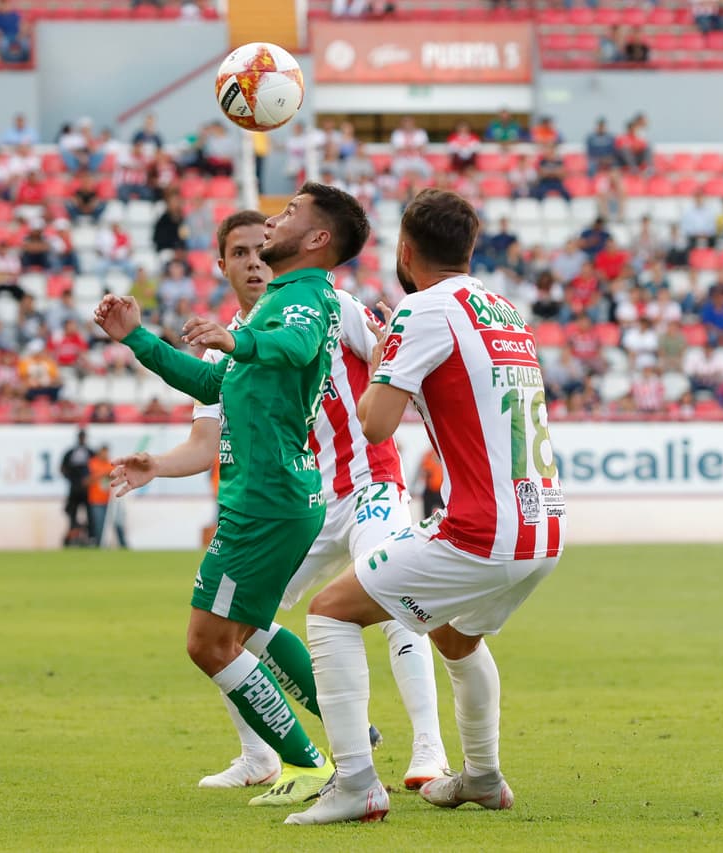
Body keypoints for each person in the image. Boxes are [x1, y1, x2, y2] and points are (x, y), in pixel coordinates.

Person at [110, 210, 448, 792]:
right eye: (239, 254)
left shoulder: (327, 304)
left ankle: (428, 750)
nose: (254, 261)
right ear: (223, 267)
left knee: (396, 599)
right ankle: (268, 753)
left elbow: (387, 358)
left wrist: (399, 348)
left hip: (366, 481)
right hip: (305, 494)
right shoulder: (226, 344)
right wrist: (158, 466)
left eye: (259, 248)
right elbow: (206, 438)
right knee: (242, 625)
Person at [286, 189, 565, 825]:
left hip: (482, 530)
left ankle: (355, 784)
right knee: (453, 632)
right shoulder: (503, 308)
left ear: (405, 253)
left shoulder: (420, 311)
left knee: (330, 611)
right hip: (543, 526)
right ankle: (482, 777)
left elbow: (377, 425)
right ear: (469, 249)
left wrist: (384, 359)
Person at [94, 183, 371, 807]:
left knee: (208, 643)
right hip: (278, 496)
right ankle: (344, 745)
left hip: (265, 501)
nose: (276, 221)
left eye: (290, 214)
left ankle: (303, 764)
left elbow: (294, 348)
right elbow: (215, 381)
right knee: (243, 635)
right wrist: (139, 340)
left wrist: (236, 340)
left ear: (319, 239)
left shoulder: (303, 298)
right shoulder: (279, 302)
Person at [59, 429, 93, 546]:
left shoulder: (90, 452)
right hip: (74, 490)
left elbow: (96, 470)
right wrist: (72, 480)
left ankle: (89, 539)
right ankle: (72, 539)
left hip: (88, 491)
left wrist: (89, 480)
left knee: (90, 515)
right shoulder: (70, 453)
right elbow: (62, 469)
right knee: (72, 516)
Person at [87, 445, 115, 546]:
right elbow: (87, 480)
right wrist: (102, 475)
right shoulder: (92, 463)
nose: (105, 455)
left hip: (110, 501)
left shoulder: (111, 464)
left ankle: (107, 544)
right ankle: (99, 544)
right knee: (98, 524)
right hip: (96, 499)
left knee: (113, 524)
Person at [417, 448, 444, 520]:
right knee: (427, 516)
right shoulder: (428, 455)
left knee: (445, 515)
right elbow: (423, 471)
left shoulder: (445, 454)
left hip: (442, 491)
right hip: (430, 490)